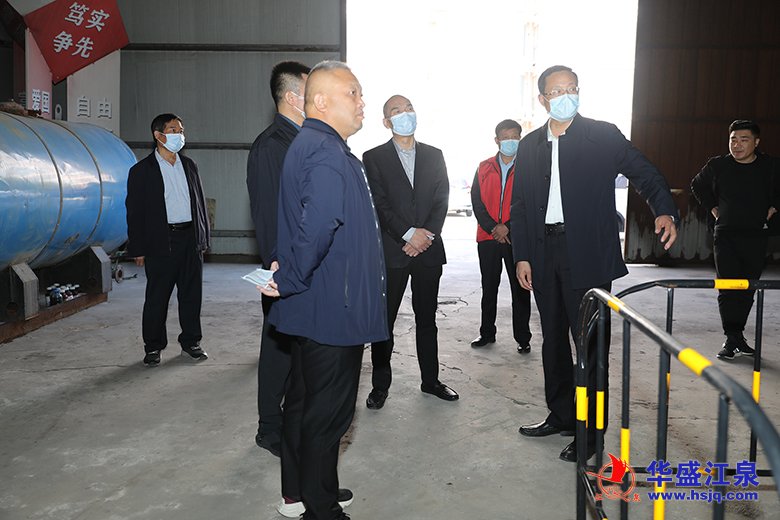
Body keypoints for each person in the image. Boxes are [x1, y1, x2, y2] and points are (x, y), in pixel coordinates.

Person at [510, 65, 678, 462]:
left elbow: (645, 173)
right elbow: (519, 206)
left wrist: (664, 209)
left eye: (572, 88)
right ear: (543, 100)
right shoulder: (530, 145)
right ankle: (561, 415)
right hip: (543, 253)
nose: (565, 95)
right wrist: (522, 255)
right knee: (553, 341)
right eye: (557, 91)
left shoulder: (602, 135)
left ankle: (591, 432)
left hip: (587, 255)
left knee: (590, 347)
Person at [260, 60, 387, 520]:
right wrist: (291, 277)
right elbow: (317, 225)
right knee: (326, 416)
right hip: (334, 307)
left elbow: (302, 221)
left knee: (302, 403)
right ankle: (321, 509)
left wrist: (290, 275)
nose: (362, 102)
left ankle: (303, 491)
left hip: (315, 303)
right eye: (353, 93)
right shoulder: (326, 151)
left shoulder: (314, 145)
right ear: (320, 101)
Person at [362, 94, 459, 411]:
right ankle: (380, 386)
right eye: (396, 110)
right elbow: (379, 203)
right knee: (385, 321)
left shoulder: (434, 155)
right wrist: (407, 234)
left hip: (428, 249)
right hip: (394, 250)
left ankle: (431, 380)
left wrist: (426, 234)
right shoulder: (374, 157)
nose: (405, 114)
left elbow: (442, 198)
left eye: (409, 108)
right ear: (386, 122)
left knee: (427, 318)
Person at [246, 60, 310, 457]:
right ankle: (269, 428)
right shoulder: (273, 145)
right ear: (292, 97)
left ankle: (292, 423)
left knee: (299, 351)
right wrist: (277, 266)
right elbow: (268, 213)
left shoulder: (303, 141)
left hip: (306, 266)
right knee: (278, 350)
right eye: (311, 91)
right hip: (284, 268)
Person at [126, 113, 211, 367]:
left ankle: (191, 342)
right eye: (174, 130)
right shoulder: (141, 171)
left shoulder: (190, 166)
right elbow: (134, 212)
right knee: (157, 297)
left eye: (181, 130)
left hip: (190, 238)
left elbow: (199, 204)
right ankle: (153, 346)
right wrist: (138, 248)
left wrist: (203, 237)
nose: (180, 135)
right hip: (161, 240)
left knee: (191, 295)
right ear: (158, 135)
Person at [691, 120, 779, 360]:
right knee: (728, 287)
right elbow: (697, 184)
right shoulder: (718, 165)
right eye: (733, 140)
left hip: (756, 236)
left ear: (756, 142)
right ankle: (731, 337)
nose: (737, 145)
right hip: (725, 235)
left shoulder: (770, 165)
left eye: (744, 140)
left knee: (748, 288)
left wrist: (774, 207)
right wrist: (712, 208)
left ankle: (737, 335)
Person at [470, 119, 532, 353]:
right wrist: (493, 228)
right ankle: (487, 333)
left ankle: (523, 337)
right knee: (489, 287)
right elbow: (476, 201)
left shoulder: (528, 167)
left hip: (517, 238)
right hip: (488, 237)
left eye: (515, 137)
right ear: (497, 140)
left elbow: (530, 202)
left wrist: (508, 227)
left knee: (520, 288)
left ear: (520, 139)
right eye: (505, 137)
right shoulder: (483, 167)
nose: (510, 141)